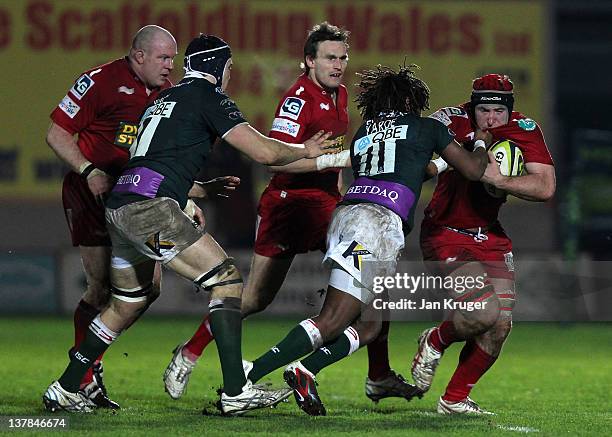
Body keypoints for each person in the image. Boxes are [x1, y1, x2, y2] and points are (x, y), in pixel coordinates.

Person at [42, 33, 333, 415]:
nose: (230, 76)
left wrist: (194, 191)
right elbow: (265, 152)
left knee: (127, 302)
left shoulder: (163, 98)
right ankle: (235, 391)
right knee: (227, 282)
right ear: (217, 67)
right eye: (229, 69)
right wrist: (307, 151)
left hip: (122, 206)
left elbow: (157, 162)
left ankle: (65, 387)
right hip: (149, 209)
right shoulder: (208, 97)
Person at [160, 22, 425, 403]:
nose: (338, 64)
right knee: (254, 298)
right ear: (309, 61)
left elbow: (330, 162)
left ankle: (378, 375)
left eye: (343, 57)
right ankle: (189, 353)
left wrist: (343, 192)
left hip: (326, 209)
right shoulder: (297, 99)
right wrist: (330, 159)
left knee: (372, 287)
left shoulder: (342, 95)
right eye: (330, 57)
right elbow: (276, 163)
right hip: (287, 207)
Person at [238, 64, 490, 416]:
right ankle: (249, 374)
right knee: (333, 319)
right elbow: (476, 170)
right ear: (407, 98)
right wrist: (479, 139)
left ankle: (346, 374)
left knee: (371, 323)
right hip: (375, 226)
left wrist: (442, 163)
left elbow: (418, 168)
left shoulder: (364, 132)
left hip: (347, 216)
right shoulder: (427, 128)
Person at [45, 24, 178, 409]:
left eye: (173, 58)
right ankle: (81, 377)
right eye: (164, 58)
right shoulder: (99, 81)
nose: (171, 66)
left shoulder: (167, 95)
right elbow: (56, 133)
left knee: (149, 289)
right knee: (102, 287)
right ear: (139, 56)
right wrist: (89, 170)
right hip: (90, 191)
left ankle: (90, 359)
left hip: (136, 194)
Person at [410, 73, 555, 415]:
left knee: (500, 325)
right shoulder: (451, 121)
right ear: (473, 108)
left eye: (498, 112)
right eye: (484, 110)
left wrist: (500, 179)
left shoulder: (524, 129)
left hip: (489, 235)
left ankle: (454, 399)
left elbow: (546, 186)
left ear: (510, 111)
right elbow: (414, 153)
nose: (491, 119)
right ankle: (435, 340)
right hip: (445, 232)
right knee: (482, 312)